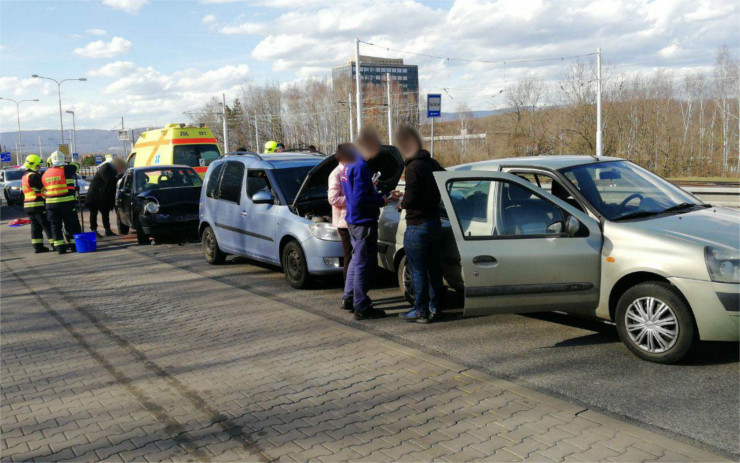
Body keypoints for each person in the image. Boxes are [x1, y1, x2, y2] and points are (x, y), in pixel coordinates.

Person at [342, 128, 398, 320]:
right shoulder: (360, 166)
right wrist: (381, 200)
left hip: (353, 220)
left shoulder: (349, 164)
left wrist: (375, 192)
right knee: (363, 264)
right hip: (363, 221)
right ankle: (361, 305)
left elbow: (355, 194)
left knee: (356, 260)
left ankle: (349, 298)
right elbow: (360, 199)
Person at [393, 126, 445, 323]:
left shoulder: (413, 168)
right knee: (435, 269)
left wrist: (401, 203)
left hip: (417, 225)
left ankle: (421, 311)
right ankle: (435, 308)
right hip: (435, 223)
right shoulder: (433, 164)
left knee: (418, 270)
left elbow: (412, 196)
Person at [328, 143, 355, 310]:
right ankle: (348, 295)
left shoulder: (349, 170)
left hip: (351, 219)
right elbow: (333, 199)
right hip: (344, 222)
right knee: (350, 259)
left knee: (353, 258)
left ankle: (352, 293)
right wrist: (353, 199)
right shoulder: (337, 173)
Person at [42, 151, 82, 254]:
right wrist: (69, 163)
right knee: (71, 224)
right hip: (66, 203)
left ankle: (60, 247)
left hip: (51, 204)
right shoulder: (66, 169)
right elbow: (77, 166)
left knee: (55, 226)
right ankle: (74, 245)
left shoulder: (45, 173)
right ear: (63, 160)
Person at [20, 154, 53, 253]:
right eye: (38, 165)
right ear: (34, 165)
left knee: (35, 227)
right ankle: (55, 244)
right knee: (47, 225)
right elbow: (44, 188)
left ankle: (38, 247)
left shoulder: (25, 176)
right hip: (38, 204)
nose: (39, 167)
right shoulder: (35, 176)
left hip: (28, 206)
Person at [86, 157, 126, 236]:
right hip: (95, 195)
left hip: (104, 196)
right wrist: (119, 176)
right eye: (120, 167)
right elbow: (109, 180)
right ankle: (93, 230)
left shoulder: (113, 169)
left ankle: (107, 230)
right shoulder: (104, 168)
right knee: (94, 213)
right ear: (116, 164)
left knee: (105, 213)